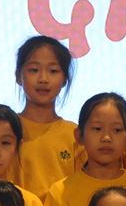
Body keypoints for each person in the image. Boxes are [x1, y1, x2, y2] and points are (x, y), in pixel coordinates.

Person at [10, 35, 82, 197]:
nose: (43, 79)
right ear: (18, 76)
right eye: (34, 70)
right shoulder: (6, 129)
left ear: (64, 79)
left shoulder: (75, 134)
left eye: (53, 71)